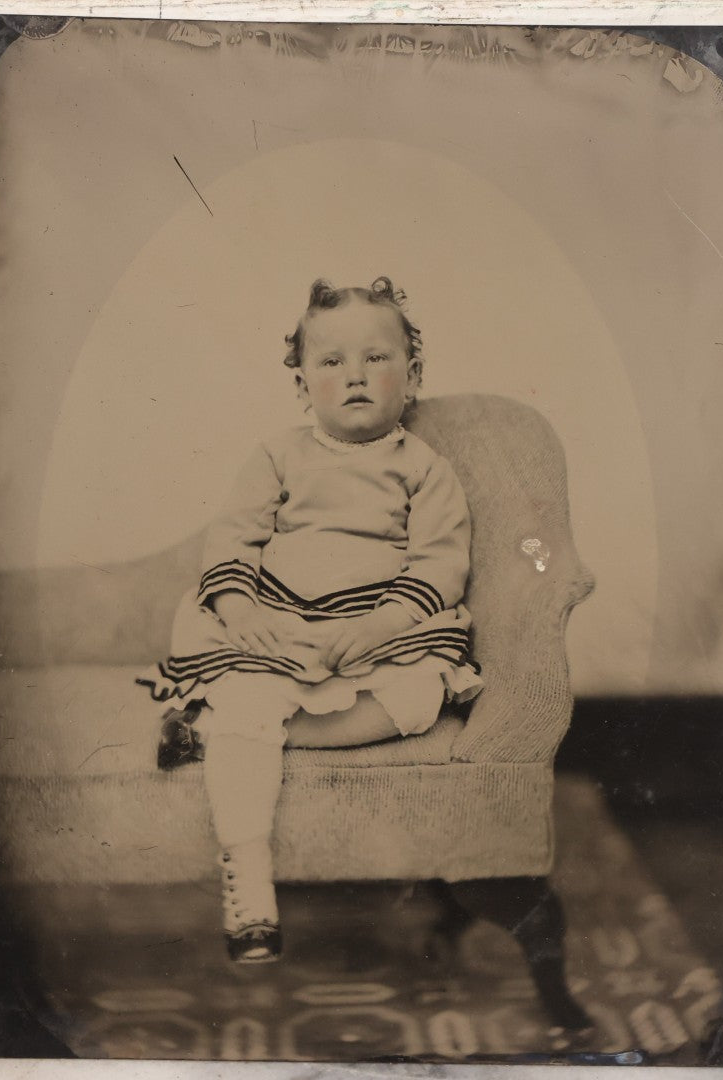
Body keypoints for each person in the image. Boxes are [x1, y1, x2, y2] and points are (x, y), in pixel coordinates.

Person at [137, 276, 483, 963]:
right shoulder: (277, 456)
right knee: (245, 688)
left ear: (411, 377)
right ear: (301, 385)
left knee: (419, 697)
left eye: (375, 358)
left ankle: (216, 733)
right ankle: (248, 882)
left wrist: (383, 625)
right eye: (331, 362)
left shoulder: (424, 469)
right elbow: (231, 544)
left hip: (376, 630)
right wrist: (240, 611)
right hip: (280, 623)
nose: (355, 376)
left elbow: (439, 566)